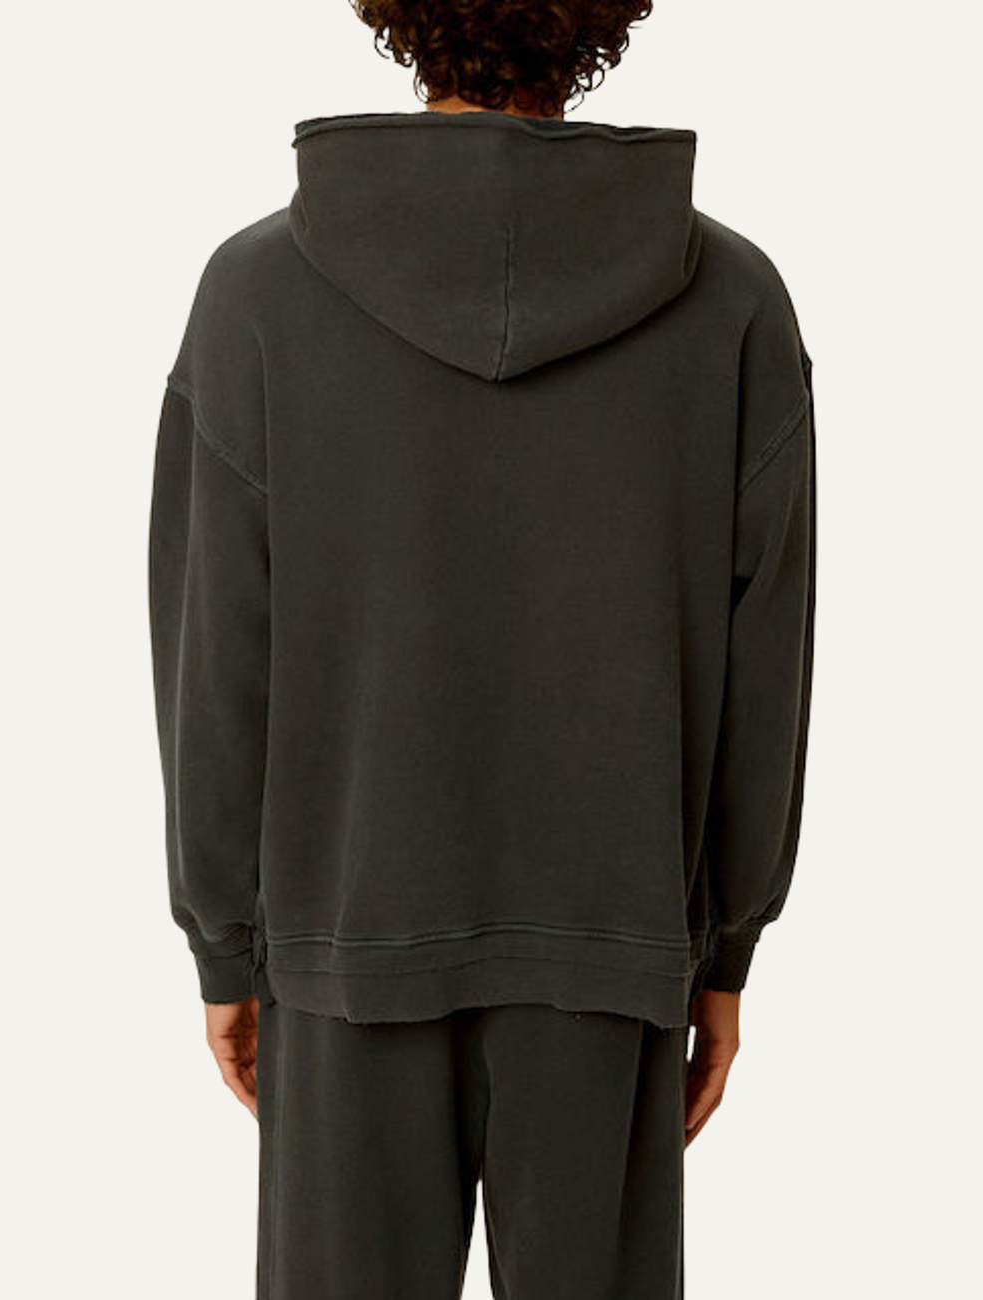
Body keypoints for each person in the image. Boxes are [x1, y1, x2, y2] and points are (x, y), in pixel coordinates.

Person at [148, 2, 816, 1295]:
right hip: (614, 943)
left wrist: (226, 944)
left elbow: (215, 648)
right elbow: (767, 664)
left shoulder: (258, 293)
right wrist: (723, 949)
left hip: (346, 939)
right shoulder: (731, 298)